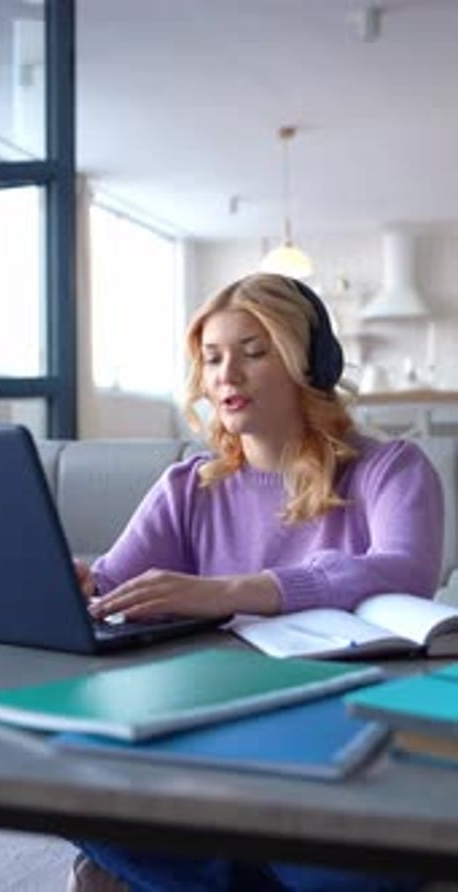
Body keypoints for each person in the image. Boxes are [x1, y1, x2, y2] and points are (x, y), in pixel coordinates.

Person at [68, 272, 443, 892]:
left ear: (309, 365)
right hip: (210, 725)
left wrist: (233, 590)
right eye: (212, 359)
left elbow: (402, 568)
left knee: (343, 874)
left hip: (346, 729)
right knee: (64, 783)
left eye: (253, 351)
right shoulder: (187, 486)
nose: (225, 376)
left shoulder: (391, 469)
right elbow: (112, 582)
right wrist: (77, 585)